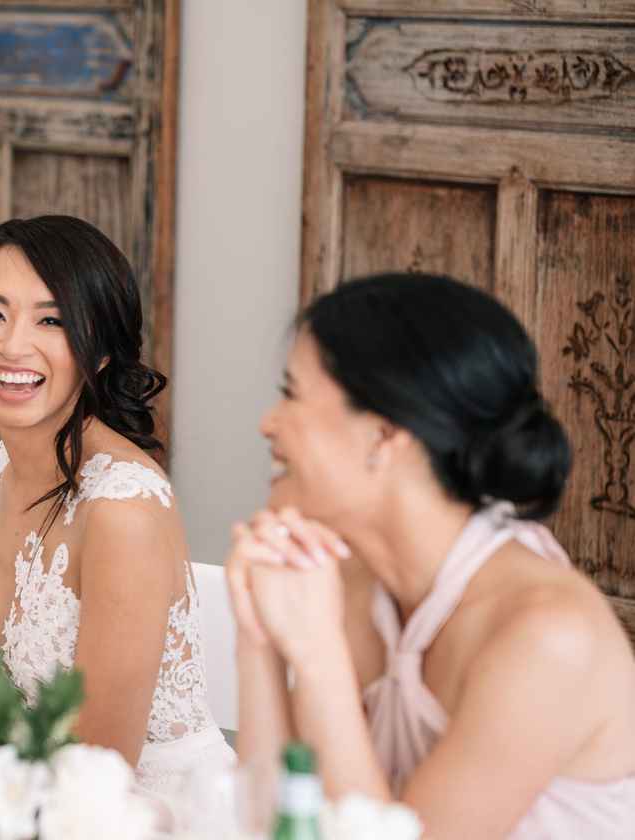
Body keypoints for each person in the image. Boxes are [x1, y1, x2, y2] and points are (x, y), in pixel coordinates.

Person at [230, 273, 635, 838]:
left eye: (292, 394)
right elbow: (274, 820)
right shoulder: (350, 573)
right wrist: (258, 637)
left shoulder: (548, 634)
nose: (267, 423)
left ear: (385, 436)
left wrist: (318, 654)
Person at [0, 215, 234, 795]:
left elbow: (98, 774)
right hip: (24, 803)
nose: (12, 344)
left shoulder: (122, 509)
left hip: (136, 815)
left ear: (99, 351)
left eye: (53, 321)